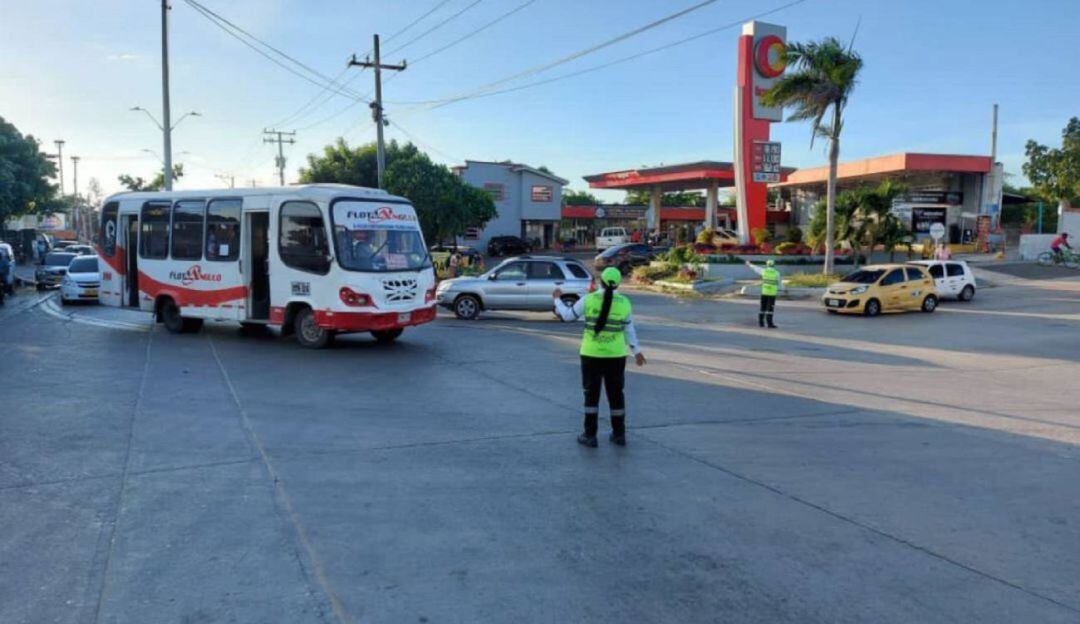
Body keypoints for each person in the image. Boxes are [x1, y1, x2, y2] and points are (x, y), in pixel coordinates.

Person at [553, 267, 646, 448]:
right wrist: (637, 351)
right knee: (616, 395)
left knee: (591, 395)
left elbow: (567, 316)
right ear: (618, 283)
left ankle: (590, 435)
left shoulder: (589, 299)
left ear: (600, 282)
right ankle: (619, 435)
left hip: (591, 355)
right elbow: (629, 329)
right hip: (616, 355)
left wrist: (557, 299)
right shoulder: (625, 303)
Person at [745, 259, 782, 328]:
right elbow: (780, 284)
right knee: (770, 309)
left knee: (762, 308)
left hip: (764, 292)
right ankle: (770, 324)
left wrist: (749, 264)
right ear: (774, 265)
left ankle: (761, 323)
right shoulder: (777, 273)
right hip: (772, 294)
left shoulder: (764, 271)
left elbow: (756, 268)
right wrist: (783, 290)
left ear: (767, 265)